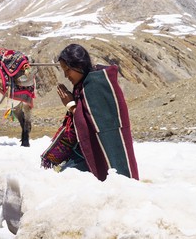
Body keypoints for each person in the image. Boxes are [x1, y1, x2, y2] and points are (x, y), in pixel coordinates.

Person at [41, 44, 139, 181]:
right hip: (84, 154)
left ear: (79, 65)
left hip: (103, 157)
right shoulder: (83, 85)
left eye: (68, 69)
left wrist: (71, 105)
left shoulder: (97, 84)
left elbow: (96, 125)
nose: (66, 75)